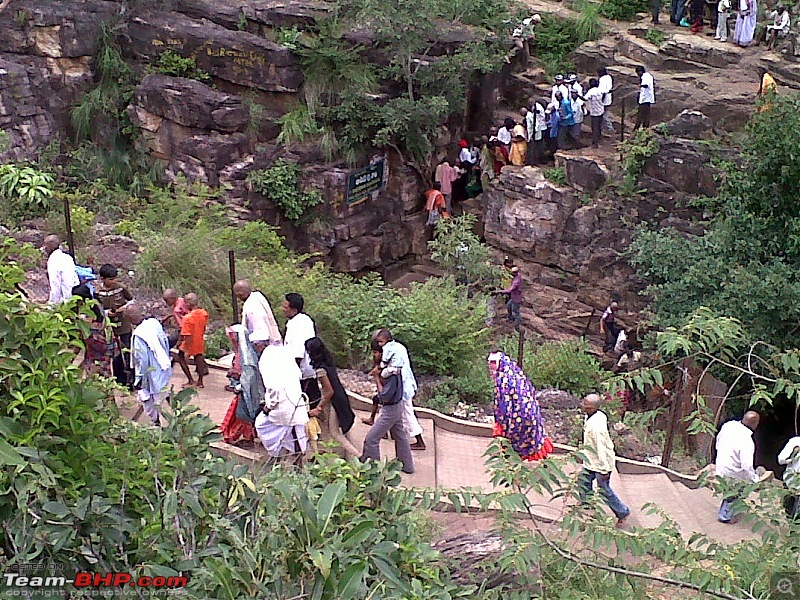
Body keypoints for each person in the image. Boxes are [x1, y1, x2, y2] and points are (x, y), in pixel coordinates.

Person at [487, 352, 553, 461]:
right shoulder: (516, 374)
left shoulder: (503, 381)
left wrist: (502, 421)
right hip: (531, 413)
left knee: (514, 437)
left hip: (519, 416)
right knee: (531, 437)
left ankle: (510, 459)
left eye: (493, 363)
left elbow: (504, 406)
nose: (491, 366)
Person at [579, 394, 631, 526]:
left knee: (604, 490)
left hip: (600, 463)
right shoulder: (597, 415)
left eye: (586, 405)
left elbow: (601, 448)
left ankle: (622, 512)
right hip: (590, 460)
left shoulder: (596, 429)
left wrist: (604, 469)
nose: (582, 406)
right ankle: (587, 504)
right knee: (583, 481)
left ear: (592, 408)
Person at [305, 337, 359, 459]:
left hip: (334, 401)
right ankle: (337, 454)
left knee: (334, 432)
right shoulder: (328, 363)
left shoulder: (320, 370)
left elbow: (329, 391)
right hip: (340, 396)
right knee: (335, 428)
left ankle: (358, 456)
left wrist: (318, 407)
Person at [254, 344, 309, 461]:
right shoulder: (289, 370)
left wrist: (268, 407)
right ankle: (295, 459)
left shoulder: (271, 368)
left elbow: (274, 391)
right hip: (297, 405)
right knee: (295, 433)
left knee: (262, 425)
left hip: (282, 408)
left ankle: (276, 455)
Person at [374, 329, 426, 450]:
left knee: (407, 413)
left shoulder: (388, 349)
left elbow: (385, 365)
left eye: (381, 342)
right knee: (391, 410)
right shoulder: (400, 346)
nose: (380, 345)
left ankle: (419, 441)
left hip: (401, 386)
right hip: (407, 382)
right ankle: (383, 431)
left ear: (386, 340)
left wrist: (380, 372)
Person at [361, 366, 415, 473]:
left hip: (391, 410)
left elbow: (384, 396)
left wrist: (376, 378)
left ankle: (373, 471)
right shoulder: (393, 368)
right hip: (397, 406)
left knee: (371, 439)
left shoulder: (391, 373)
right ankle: (407, 465)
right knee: (400, 436)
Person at [127, 304, 172, 427]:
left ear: (130, 319)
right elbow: (164, 340)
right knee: (164, 392)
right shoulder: (154, 323)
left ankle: (156, 423)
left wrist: (139, 379)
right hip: (163, 365)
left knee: (149, 399)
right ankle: (176, 413)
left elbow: (143, 359)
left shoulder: (139, 335)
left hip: (151, 372)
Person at [714, 411, 761, 523]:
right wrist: (755, 479)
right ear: (755, 424)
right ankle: (725, 515)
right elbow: (747, 465)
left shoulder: (729, 425)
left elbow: (718, 442)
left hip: (721, 466)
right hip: (733, 474)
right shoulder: (747, 441)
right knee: (739, 490)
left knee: (729, 489)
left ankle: (727, 509)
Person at [220, 323, 262, 447]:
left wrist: (240, 387)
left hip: (246, 390)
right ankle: (246, 436)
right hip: (242, 389)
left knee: (241, 413)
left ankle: (238, 436)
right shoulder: (241, 354)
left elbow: (249, 377)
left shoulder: (248, 358)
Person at [96, 264, 134, 388]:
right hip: (109, 327)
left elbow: (131, 300)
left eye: (114, 278)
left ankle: (132, 380)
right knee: (115, 354)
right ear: (102, 278)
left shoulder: (121, 288)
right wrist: (107, 313)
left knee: (128, 351)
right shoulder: (97, 291)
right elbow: (96, 308)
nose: (113, 281)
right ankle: (119, 380)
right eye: (110, 279)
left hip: (124, 325)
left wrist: (124, 308)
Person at [282, 292, 321, 411]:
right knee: (311, 396)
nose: (283, 309)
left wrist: (292, 372)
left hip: (302, 368)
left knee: (304, 399)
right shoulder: (297, 321)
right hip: (304, 368)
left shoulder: (300, 323)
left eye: (285, 307)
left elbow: (298, 350)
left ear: (293, 308)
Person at [72, 283, 114, 377]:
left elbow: (82, 338)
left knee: (97, 374)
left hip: (100, 347)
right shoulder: (96, 304)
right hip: (99, 346)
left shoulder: (88, 315)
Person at [233, 280, 282, 353]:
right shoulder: (257, 297)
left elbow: (258, 328)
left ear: (241, 294)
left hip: (260, 341)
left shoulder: (250, 305)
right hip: (266, 338)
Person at [160, 288, 192, 384]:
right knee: (197, 352)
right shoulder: (182, 300)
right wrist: (169, 316)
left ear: (173, 298)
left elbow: (182, 325)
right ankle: (203, 369)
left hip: (184, 331)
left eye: (167, 300)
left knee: (167, 344)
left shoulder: (176, 310)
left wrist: (180, 341)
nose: (166, 303)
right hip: (193, 328)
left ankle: (190, 380)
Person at [179, 292, 209, 389]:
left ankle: (190, 380)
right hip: (199, 339)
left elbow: (186, 335)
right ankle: (200, 381)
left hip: (190, 342)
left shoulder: (187, 318)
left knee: (181, 358)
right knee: (199, 358)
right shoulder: (203, 313)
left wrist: (187, 351)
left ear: (188, 304)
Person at [43, 235, 79, 305]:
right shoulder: (67, 257)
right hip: (75, 294)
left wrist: (51, 304)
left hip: (65, 299)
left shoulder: (53, 261)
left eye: (46, 245)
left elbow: (55, 285)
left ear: (50, 246)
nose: (45, 248)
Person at [778, 435, 800, 519]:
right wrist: (794, 454)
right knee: (789, 511)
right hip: (791, 482)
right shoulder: (795, 441)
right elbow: (781, 459)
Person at [584, 78, 605, 148]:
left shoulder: (591, 91)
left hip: (594, 111)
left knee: (594, 127)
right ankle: (599, 138)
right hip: (601, 110)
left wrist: (577, 95)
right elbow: (604, 95)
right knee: (599, 126)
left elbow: (585, 98)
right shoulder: (600, 90)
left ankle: (595, 143)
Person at [634, 66, 655, 130]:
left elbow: (646, 85)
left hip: (645, 98)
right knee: (646, 114)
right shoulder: (649, 76)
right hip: (647, 98)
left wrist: (640, 85)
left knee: (641, 114)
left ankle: (637, 128)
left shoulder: (645, 77)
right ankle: (645, 127)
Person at [597, 67, 614, 133]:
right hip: (609, 96)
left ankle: (610, 128)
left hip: (604, 98)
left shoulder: (602, 79)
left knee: (603, 115)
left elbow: (602, 90)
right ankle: (605, 128)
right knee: (605, 114)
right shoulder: (609, 77)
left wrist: (600, 100)